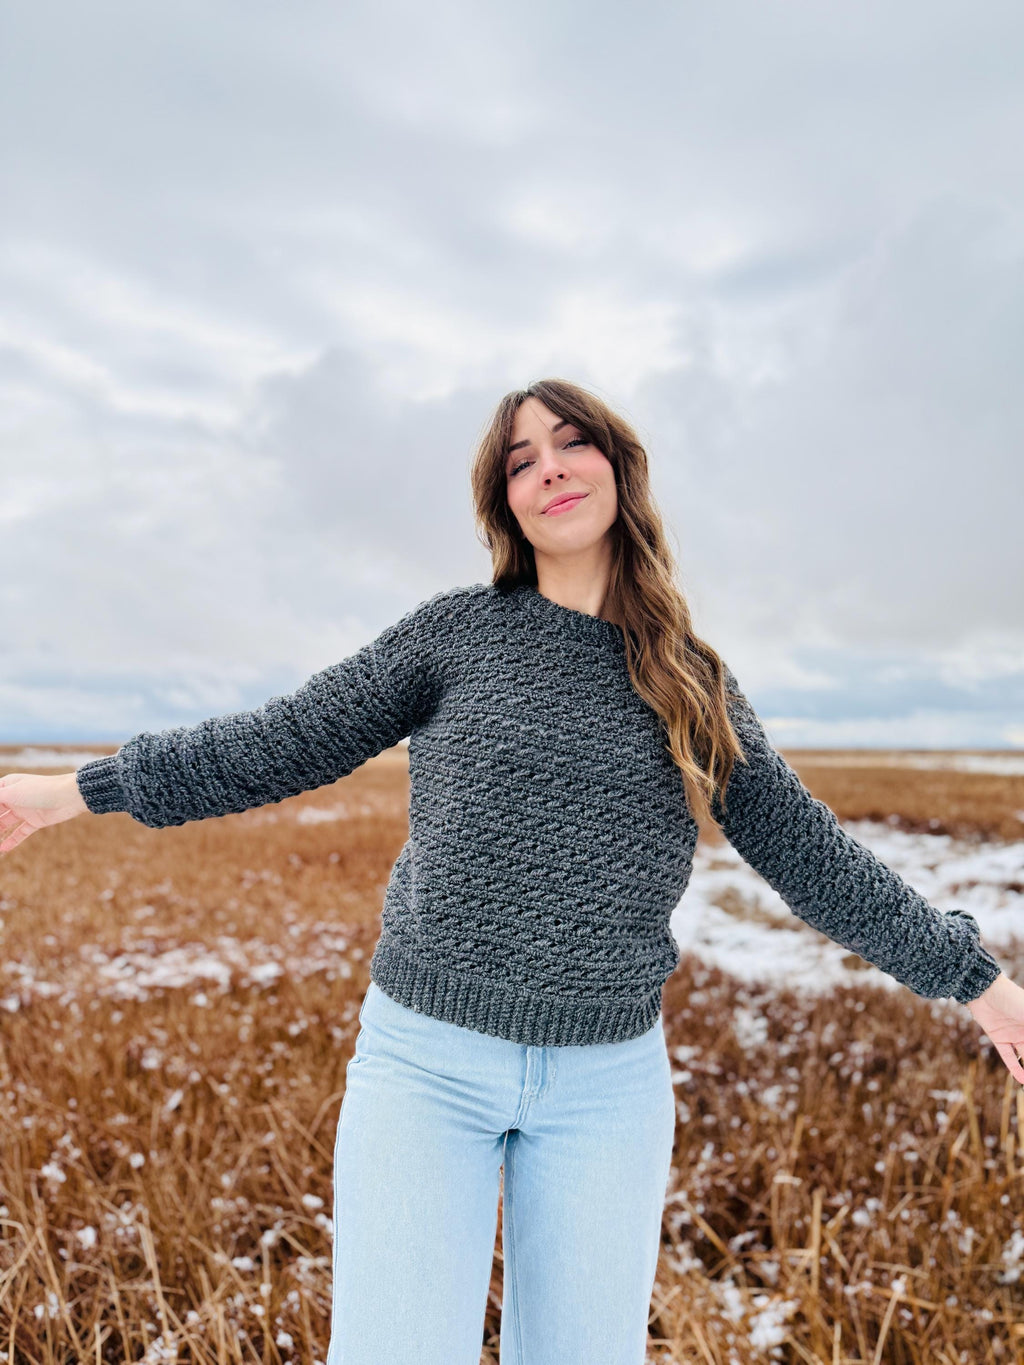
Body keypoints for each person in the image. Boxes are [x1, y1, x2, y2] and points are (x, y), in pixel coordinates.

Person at [2, 376, 1022, 1365]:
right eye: (521, 460)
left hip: (606, 1086)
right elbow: (281, 741)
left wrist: (974, 980)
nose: (551, 469)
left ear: (620, 469)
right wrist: (68, 794)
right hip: (424, 1067)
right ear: (507, 505)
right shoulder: (454, 635)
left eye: (572, 442)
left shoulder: (688, 678)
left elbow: (804, 849)